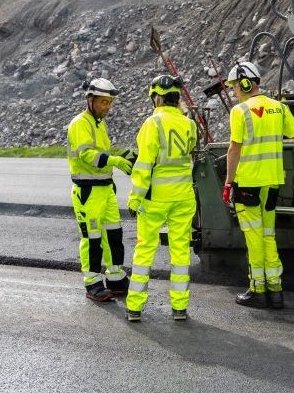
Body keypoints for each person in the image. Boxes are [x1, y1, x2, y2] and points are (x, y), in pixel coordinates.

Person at [222, 62, 294, 309]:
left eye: (234, 87)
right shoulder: (279, 108)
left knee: (253, 237)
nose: (234, 92)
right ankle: (276, 291)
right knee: (268, 235)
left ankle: (257, 289)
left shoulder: (240, 111)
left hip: (248, 183)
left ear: (244, 83)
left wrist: (228, 182)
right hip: (272, 183)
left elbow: (234, 149)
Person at [124, 75, 198, 323]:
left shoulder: (152, 123)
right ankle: (180, 308)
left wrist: (135, 199)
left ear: (157, 97)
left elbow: (144, 165)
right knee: (180, 254)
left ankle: (135, 307)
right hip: (184, 197)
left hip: (155, 199)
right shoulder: (189, 124)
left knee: (145, 251)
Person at [67, 78, 134, 302]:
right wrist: (114, 160)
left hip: (105, 190)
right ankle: (93, 283)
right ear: (90, 99)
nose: (107, 107)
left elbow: (101, 157)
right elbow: (87, 155)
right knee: (92, 238)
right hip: (88, 192)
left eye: (109, 103)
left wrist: (116, 161)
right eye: (103, 102)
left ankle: (115, 278)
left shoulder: (99, 123)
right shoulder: (80, 123)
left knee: (113, 234)